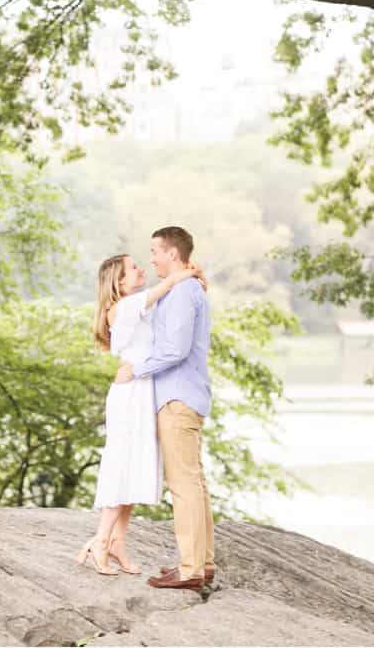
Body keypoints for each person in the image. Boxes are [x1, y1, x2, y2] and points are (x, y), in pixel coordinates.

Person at [76, 252, 206, 575]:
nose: (141, 268)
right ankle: (100, 541)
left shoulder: (137, 307)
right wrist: (182, 274)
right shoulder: (124, 306)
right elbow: (165, 288)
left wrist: (197, 280)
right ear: (119, 282)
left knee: (136, 464)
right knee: (123, 463)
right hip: (130, 391)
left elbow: (168, 313)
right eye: (133, 268)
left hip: (142, 390)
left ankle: (118, 541)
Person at [114, 226, 215, 590]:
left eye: (155, 251)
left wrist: (135, 370)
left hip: (176, 398)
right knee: (194, 482)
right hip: (183, 395)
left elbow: (176, 350)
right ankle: (201, 564)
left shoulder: (184, 291)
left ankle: (191, 569)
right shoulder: (184, 288)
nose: (152, 258)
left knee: (184, 484)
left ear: (173, 253)